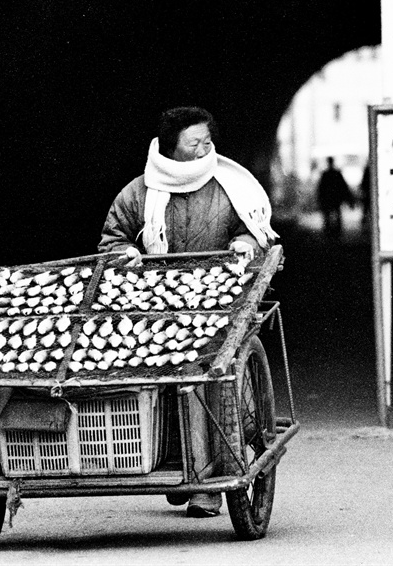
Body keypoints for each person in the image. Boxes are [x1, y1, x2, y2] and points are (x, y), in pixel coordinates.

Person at [98, 106, 278, 518]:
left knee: (207, 388)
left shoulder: (231, 185)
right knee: (160, 387)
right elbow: (112, 238)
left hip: (219, 304)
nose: (203, 149)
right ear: (170, 149)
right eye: (193, 144)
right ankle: (179, 466)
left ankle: (207, 487)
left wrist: (246, 243)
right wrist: (125, 253)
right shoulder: (138, 192)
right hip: (156, 308)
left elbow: (253, 228)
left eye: (207, 141)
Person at [316, 156, 353, 237]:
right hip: (336, 197)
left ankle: (328, 231)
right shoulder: (337, 173)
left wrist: (320, 197)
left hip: (328, 197)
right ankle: (337, 231)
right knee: (337, 213)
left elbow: (321, 187)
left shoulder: (325, 174)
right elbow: (343, 186)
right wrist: (346, 197)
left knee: (327, 215)